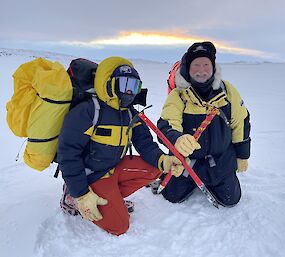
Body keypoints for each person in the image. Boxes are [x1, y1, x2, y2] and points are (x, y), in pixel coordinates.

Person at [57, 56, 184, 235]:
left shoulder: (130, 113)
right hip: (91, 176)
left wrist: (163, 160)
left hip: (112, 168)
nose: (129, 93)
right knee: (119, 227)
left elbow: (145, 143)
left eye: (134, 87)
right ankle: (71, 197)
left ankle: (111, 198)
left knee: (154, 169)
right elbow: (68, 154)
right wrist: (81, 193)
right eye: (124, 85)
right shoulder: (88, 111)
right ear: (110, 84)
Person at [157, 41, 251, 207]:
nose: (201, 70)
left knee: (231, 201)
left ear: (213, 67)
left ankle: (218, 180)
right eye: (196, 65)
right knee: (171, 196)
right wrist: (177, 139)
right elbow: (167, 125)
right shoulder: (178, 96)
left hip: (221, 160)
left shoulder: (228, 91)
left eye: (206, 65)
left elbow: (241, 123)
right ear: (188, 69)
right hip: (189, 163)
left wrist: (242, 155)